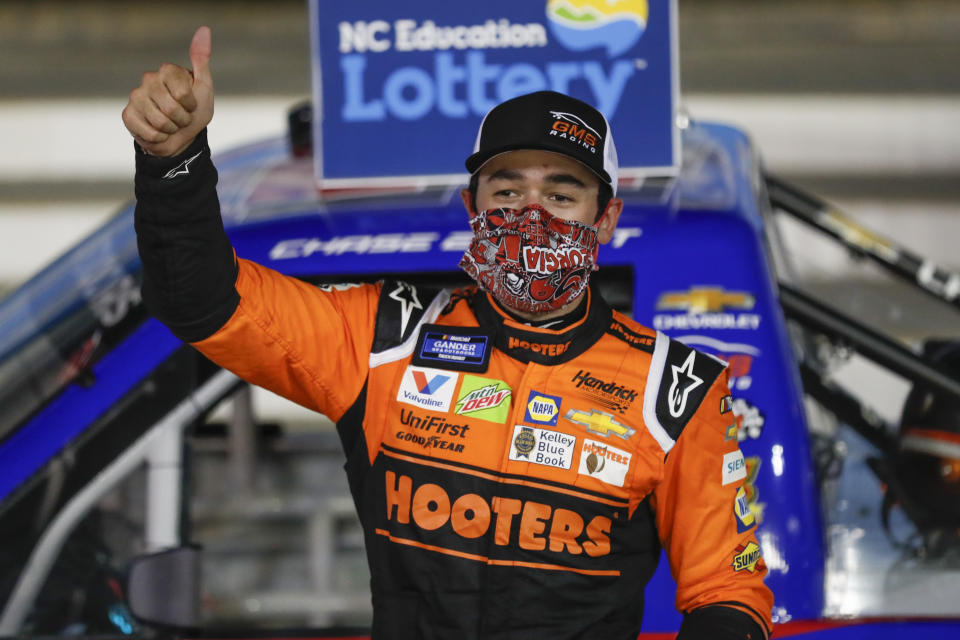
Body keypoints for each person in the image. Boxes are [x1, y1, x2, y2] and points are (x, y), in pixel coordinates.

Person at [123, 26, 773, 640]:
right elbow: (205, 300)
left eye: (563, 194)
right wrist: (172, 163)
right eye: (507, 191)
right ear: (472, 209)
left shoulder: (678, 393)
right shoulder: (386, 340)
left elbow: (728, 594)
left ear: (606, 219)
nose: (532, 217)